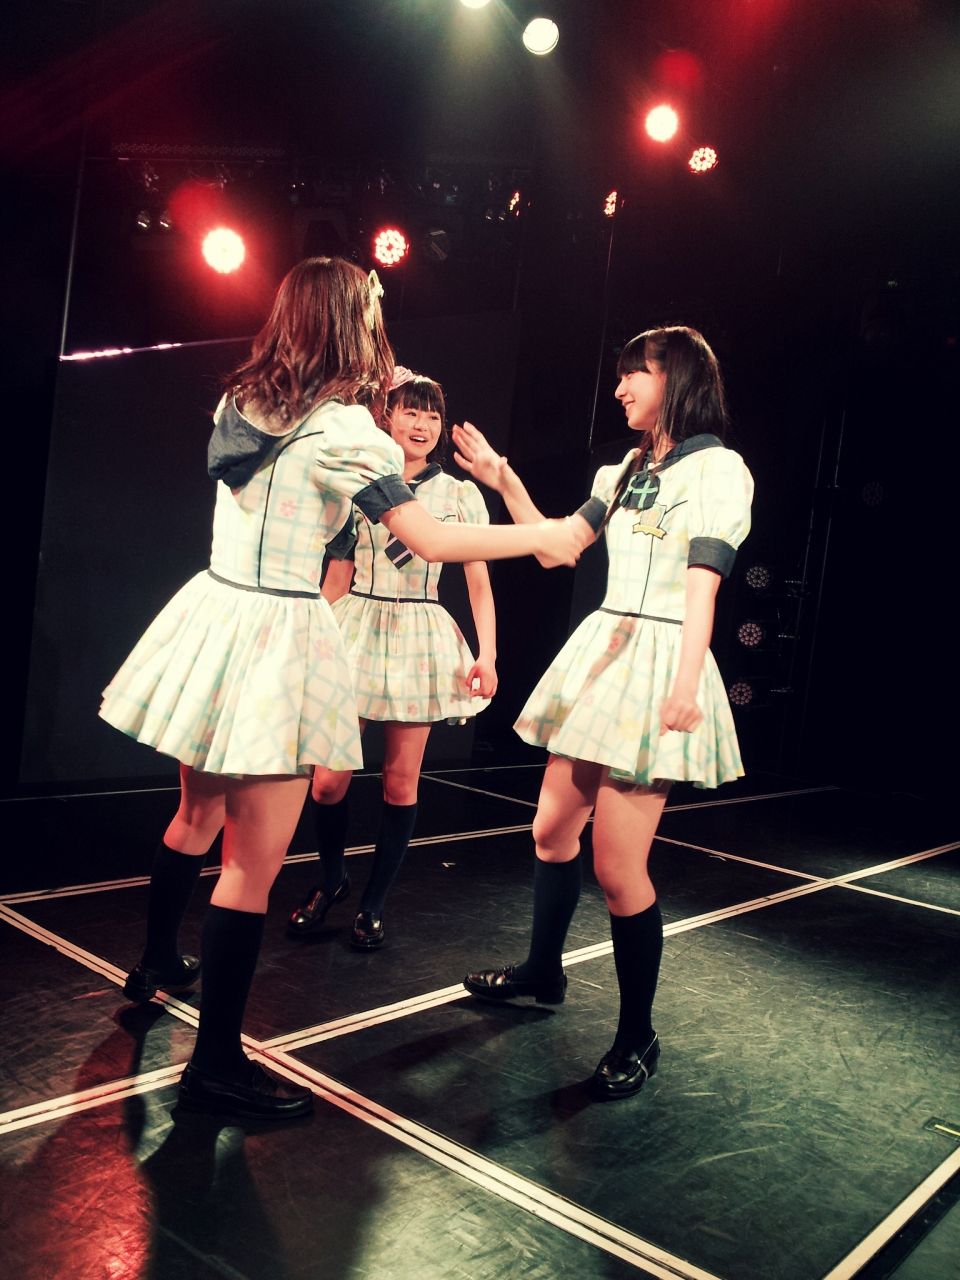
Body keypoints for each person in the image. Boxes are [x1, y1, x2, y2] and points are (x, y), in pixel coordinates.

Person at [98, 256, 583, 1122]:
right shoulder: (347, 432)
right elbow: (432, 540)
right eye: (372, 309)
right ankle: (215, 1066)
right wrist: (548, 533)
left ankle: (157, 961)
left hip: (216, 617)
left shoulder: (243, 400)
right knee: (249, 865)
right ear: (350, 322)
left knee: (193, 818)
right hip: (279, 635)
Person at [453, 325, 754, 1100]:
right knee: (552, 833)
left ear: (676, 379)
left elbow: (703, 585)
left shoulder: (718, 469)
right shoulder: (621, 469)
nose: (620, 388)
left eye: (635, 373)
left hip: (660, 659)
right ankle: (542, 972)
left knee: (619, 868)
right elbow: (557, 548)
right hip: (605, 655)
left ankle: (637, 1034)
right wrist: (502, 479)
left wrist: (684, 682)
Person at [287, 369, 497, 950]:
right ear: (387, 417)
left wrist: (488, 653)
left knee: (400, 783)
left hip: (418, 633)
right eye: (411, 411)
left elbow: (478, 581)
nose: (422, 424)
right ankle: (333, 879)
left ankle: (373, 904)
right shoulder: (360, 485)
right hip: (356, 627)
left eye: (432, 415)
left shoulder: (459, 494)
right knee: (327, 781)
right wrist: (304, 640)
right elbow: (337, 576)